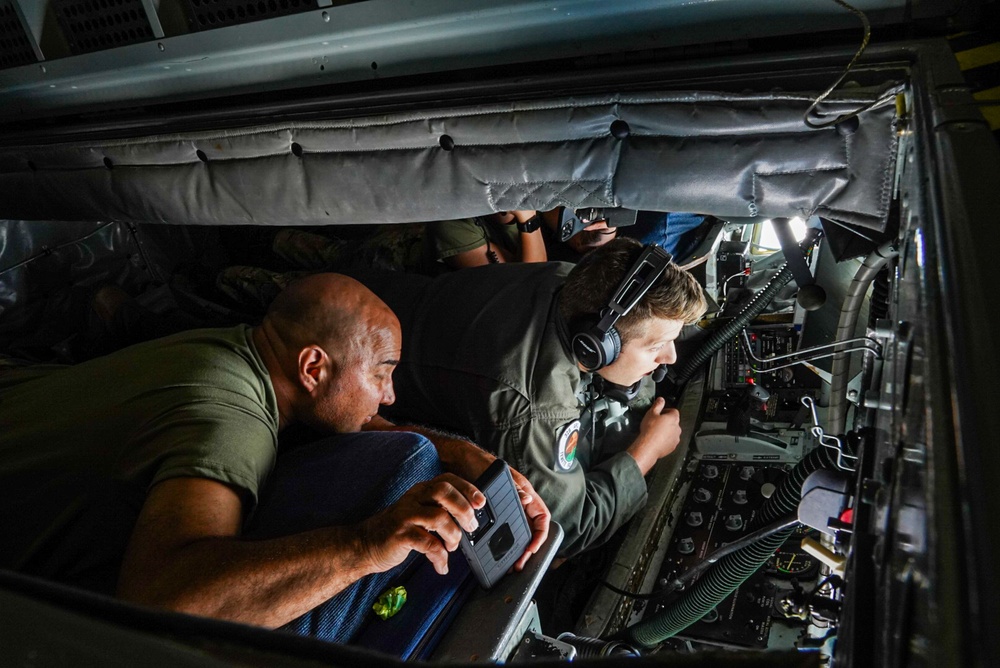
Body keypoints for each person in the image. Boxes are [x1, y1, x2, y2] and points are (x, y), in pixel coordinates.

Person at [0, 273, 550, 643]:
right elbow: (162, 608)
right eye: (382, 372)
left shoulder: (237, 350)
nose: (390, 396)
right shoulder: (227, 423)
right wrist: (365, 545)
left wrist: (455, 450)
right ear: (313, 368)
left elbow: (354, 414)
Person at [349, 238, 706, 557]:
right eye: (657, 346)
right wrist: (646, 451)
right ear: (595, 346)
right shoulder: (533, 407)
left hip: (372, 290)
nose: (671, 357)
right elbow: (568, 529)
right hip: (352, 360)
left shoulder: (575, 284)